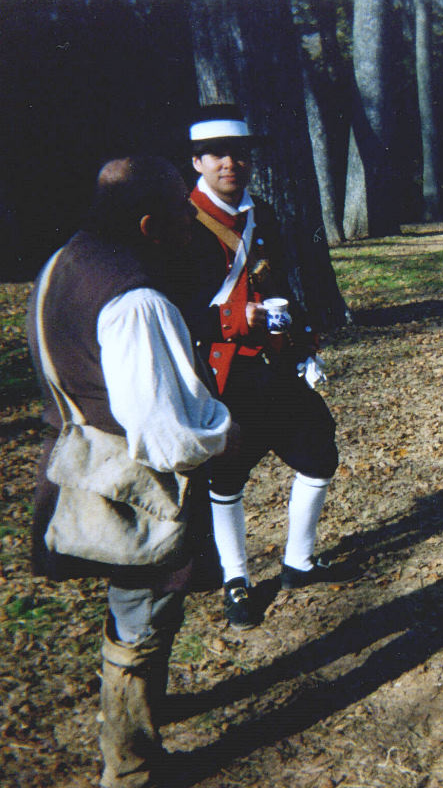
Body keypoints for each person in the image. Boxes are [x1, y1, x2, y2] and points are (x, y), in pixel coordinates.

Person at [27, 156, 234, 787]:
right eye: (180, 210)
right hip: (130, 487)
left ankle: (150, 708)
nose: (190, 219)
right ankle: (131, 765)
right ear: (148, 224)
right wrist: (225, 429)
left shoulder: (63, 262)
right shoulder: (135, 299)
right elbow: (166, 431)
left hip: (80, 462)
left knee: (138, 607)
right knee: (140, 617)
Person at [172, 104, 346, 631]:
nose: (231, 163)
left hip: (270, 362)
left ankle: (298, 562)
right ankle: (236, 580)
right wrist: (234, 316)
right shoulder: (181, 221)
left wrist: (299, 335)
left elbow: (274, 284)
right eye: (218, 154)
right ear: (198, 161)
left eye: (239, 154)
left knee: (318, 449)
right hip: (217, 371)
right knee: (228, 475)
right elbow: (172, 308)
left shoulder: (260, 214)